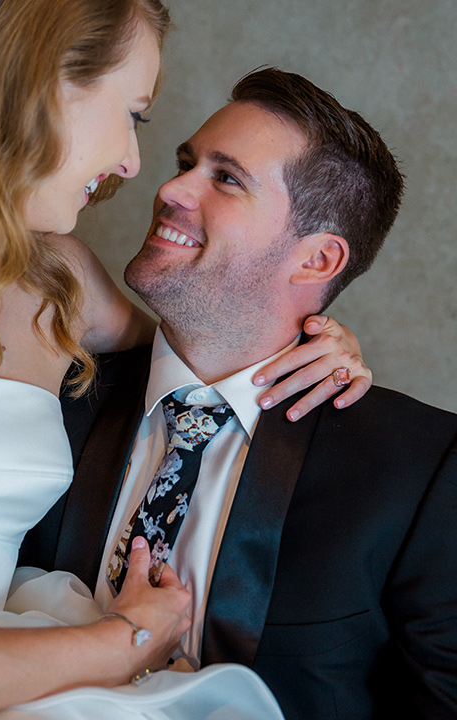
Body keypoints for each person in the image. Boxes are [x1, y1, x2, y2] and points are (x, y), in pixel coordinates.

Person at [24, 68, 457, 720]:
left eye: (225, 178)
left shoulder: (421, 467)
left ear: (316, 261)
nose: (169, 188)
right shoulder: (46, 390)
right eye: (187, 163)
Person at [0, 0, 370, 716]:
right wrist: (128, 638)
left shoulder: (51, 279)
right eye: (135, 113)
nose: (139, 167)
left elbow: (190, 355)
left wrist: (311, 335)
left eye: (225, 178)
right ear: (49, 84)